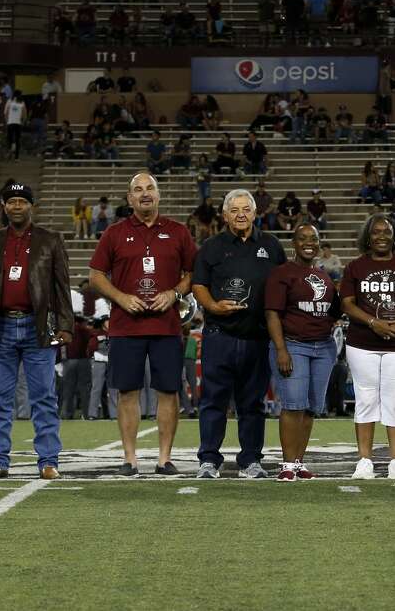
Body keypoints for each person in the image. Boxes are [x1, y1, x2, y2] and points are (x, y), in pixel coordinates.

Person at [89, 172, 196, 476]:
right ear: (130, 198)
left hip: (167, 326)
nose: (145, 194)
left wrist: (174, 292)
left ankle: (164, 459)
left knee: (169, 392)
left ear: (159, 195)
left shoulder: (178, 231)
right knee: (127, 392)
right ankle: (130, 459)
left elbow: (193, 272)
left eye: (150, 188)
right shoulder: (114, 233)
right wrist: (121, 298)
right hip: (126, 326)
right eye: (138, 189)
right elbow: (96, 275)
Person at [0, 182, 73, 480]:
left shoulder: (50, 240)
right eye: (11, 201)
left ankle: (48, 461)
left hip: (37, 326)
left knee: (43, 397)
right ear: (3, 206)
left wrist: (66, 325)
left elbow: (61, 286)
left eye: (22, 201)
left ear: (32, 206)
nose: (17, 206)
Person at [191, 189, 287, 478]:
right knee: (213, 400)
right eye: (234, 210)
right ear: (224, 215)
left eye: (246, 209)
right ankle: (208, 460)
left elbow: (283, 286)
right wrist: (213, 306)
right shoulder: (211, 246)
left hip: (257, 336)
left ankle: (250, 460)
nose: (241, 214)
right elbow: (198, 285)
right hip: (220, 334)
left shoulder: (271, 246)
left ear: (256, 213)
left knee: (253, 403)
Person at [340, 214, 395, 480]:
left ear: (394, 237)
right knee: (365, 400)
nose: (381, 236)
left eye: (387, 231)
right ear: (368, 236)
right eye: (376, 232)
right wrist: (373, 322)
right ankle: (365, 461)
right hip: (363, 343)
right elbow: (346, 302)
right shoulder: (356, 266)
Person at [265, 223, 338, 481]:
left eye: (314, 239)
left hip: (323, 346)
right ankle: (286, 464)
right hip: (293, 344)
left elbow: (334, 311)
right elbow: (272, 313)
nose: (309, 243)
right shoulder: (282, 273)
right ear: (294, 244)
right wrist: (281, 350)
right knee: (294, 405)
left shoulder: (324, 275)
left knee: (310, 408)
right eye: (303, 238)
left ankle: (298, 462)